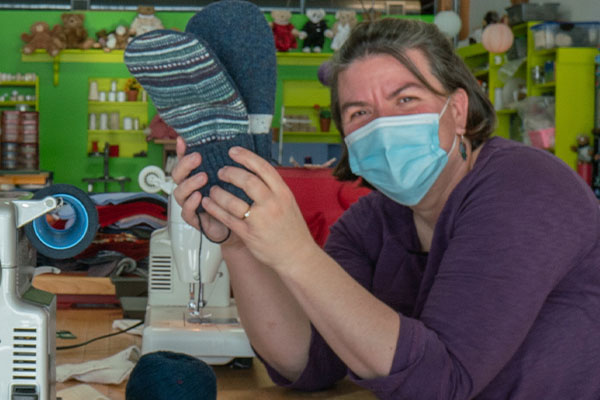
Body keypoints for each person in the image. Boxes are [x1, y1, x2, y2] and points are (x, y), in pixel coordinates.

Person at [171, 17, 600, 399]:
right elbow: (311, 362)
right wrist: (236, 239)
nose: (383, 124)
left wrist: (295, 252)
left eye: (406, 100)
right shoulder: (372, 223)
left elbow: (440, 381)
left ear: (460, 110)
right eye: (359, 112)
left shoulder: (525, 189)